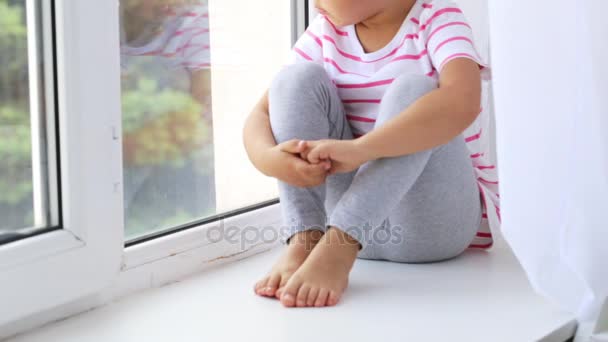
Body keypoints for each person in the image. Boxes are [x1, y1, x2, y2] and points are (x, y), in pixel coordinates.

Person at [243, 0, 500, 308]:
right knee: (292, 81)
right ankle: (305, 239)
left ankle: (341, 245)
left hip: (431, 226)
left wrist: (361, 150)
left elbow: (464, 102)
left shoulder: (436, 19)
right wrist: (269, 158)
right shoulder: (325, 31)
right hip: (339, 221)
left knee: (416, 91)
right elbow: (260, 114)